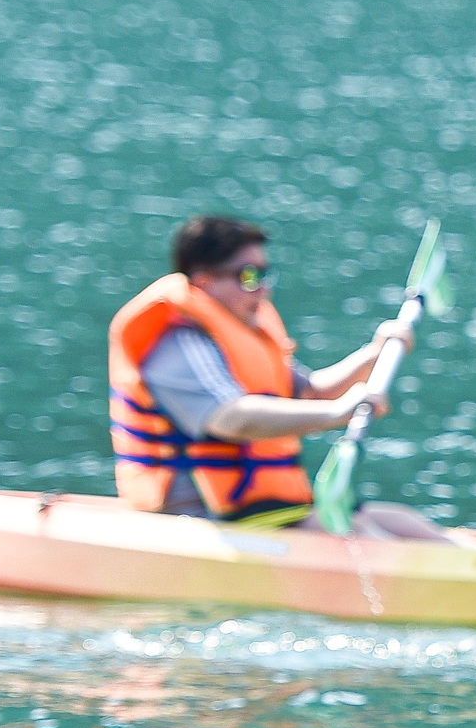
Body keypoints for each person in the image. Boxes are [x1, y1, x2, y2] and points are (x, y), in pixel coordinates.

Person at [105, 215, 448, 539]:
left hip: (260, 509)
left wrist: (373, 353)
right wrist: (338, 412)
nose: (262, 289)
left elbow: (311, 392)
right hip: (200, 516)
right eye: (248, 276)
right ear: (205, 281)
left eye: (264, 274)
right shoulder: (177, 345)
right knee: (362, 537)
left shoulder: (244, 331)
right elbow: (229, 419)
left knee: (403, 522)